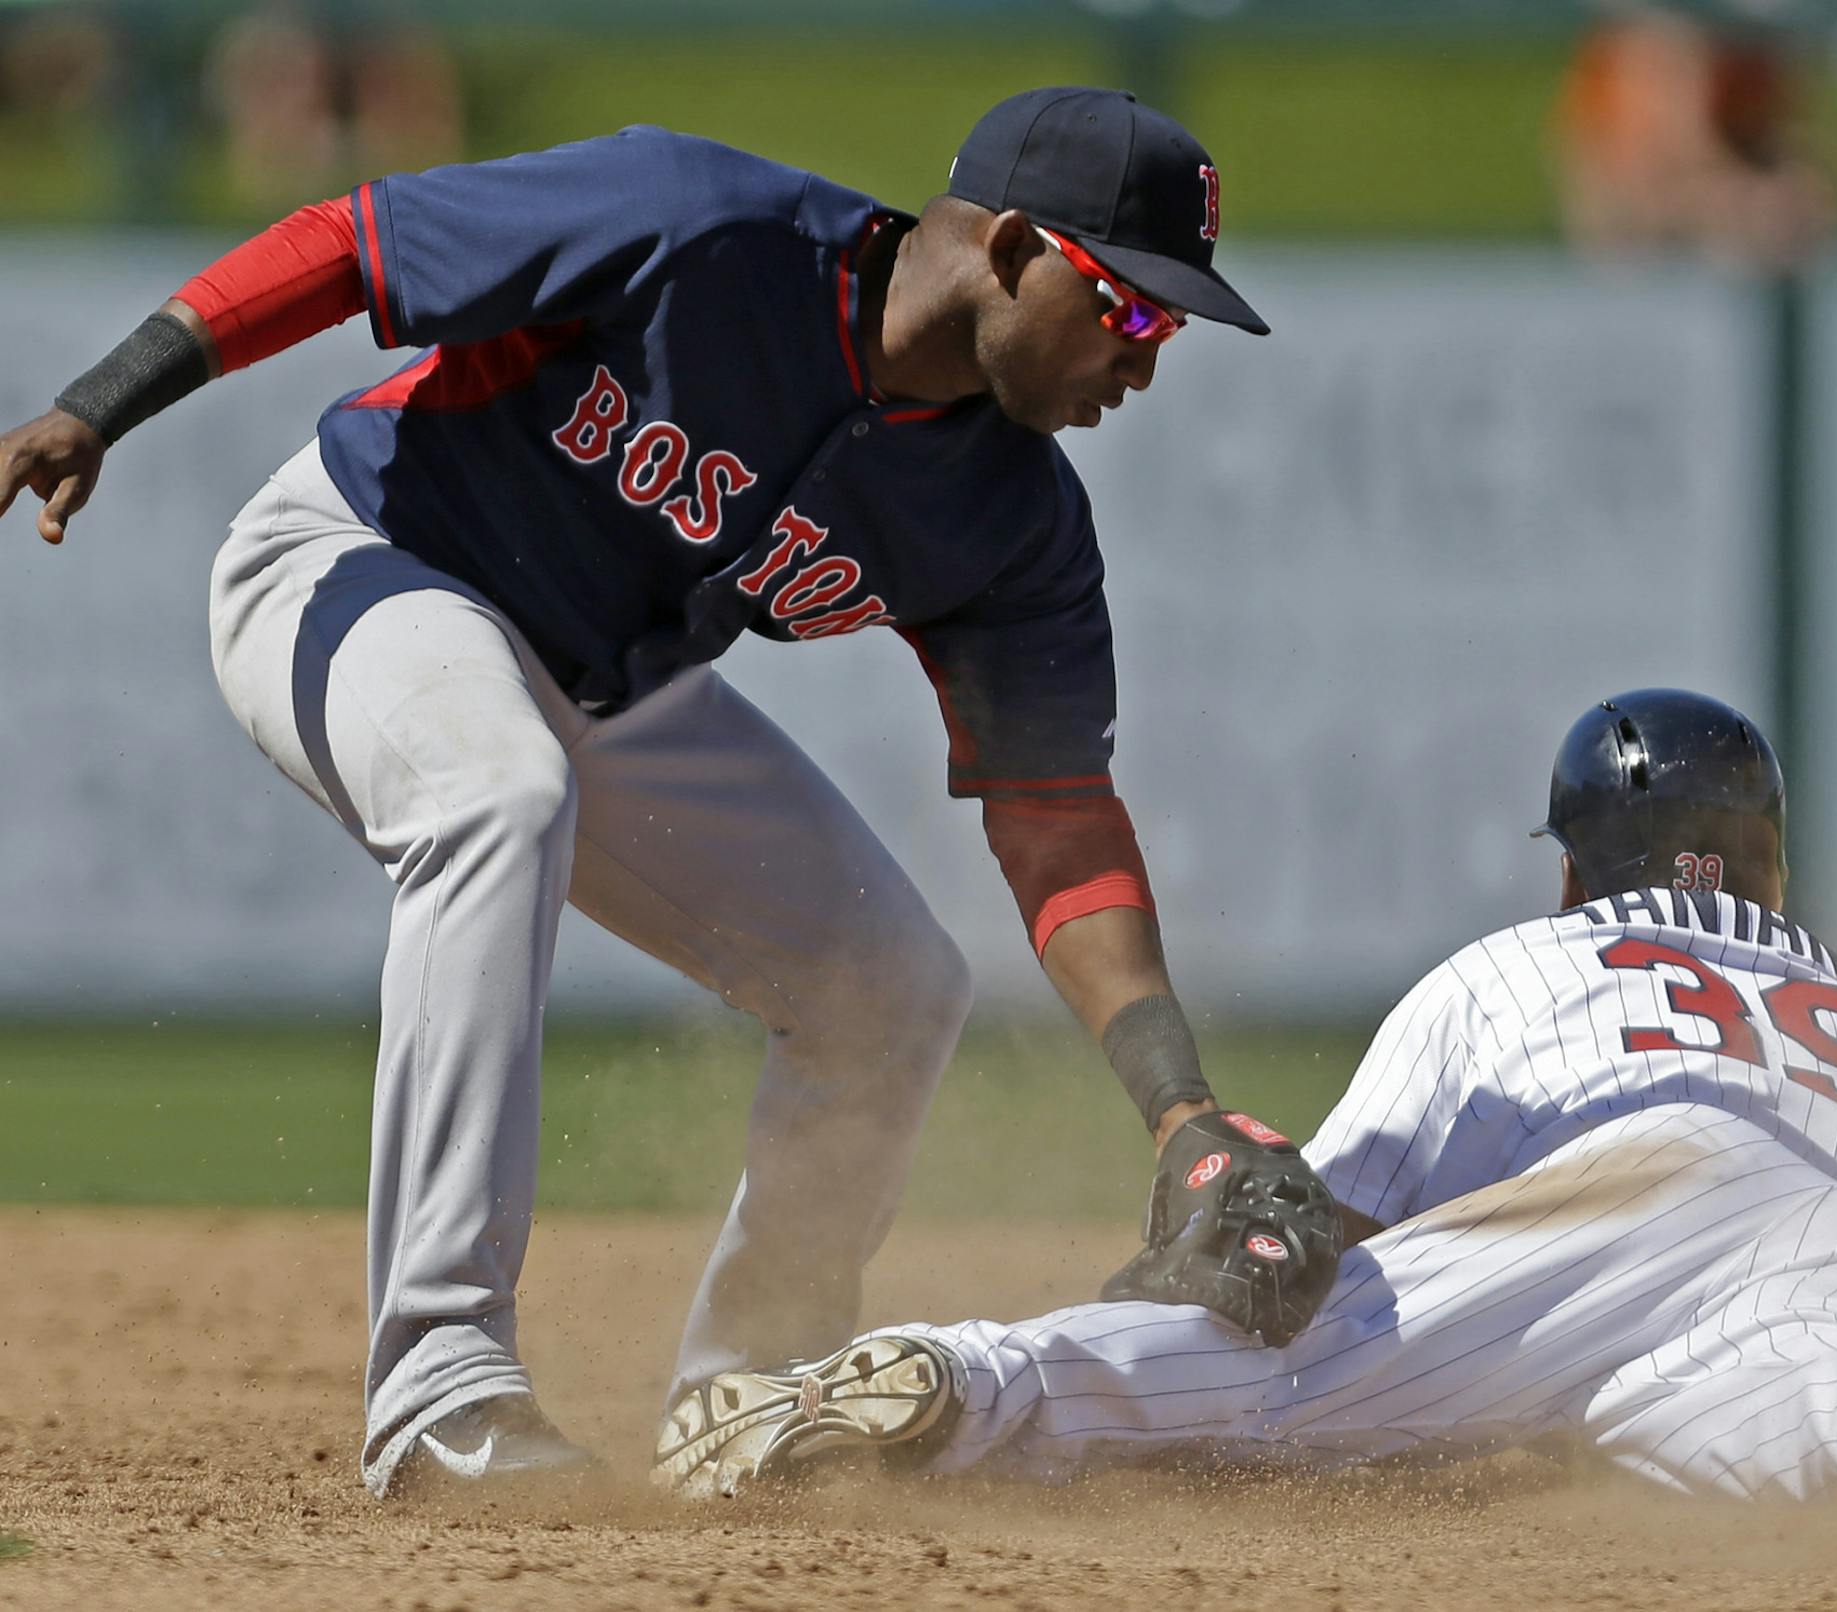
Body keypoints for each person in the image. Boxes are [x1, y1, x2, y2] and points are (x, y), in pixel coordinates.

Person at [0, 86, 1340, 1496]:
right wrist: (106, 398)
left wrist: (1178, 1108)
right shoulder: (705, 228)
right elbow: (356, 243)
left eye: (1171, 329)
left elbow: (1057, 819)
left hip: (603, 694)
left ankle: (751, 1401)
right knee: (494, 796)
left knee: (888, 987)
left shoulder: (1012, 519)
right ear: (1012, 248)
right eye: (1130, 310)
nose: (1145, 360)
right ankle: (439, 1377)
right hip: (364, 558)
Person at [668, 689, 1837, 1528]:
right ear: (1765, 867)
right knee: (1797, 1407)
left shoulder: (1530, 958)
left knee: (1277, 1371)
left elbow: (1301, 1251)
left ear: (1576, 869)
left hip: (1636, 1189)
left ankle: (948, 1379)